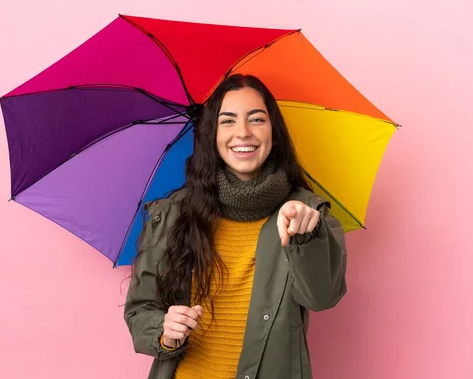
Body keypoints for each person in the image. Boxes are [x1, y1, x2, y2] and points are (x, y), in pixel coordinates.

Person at [124, 74, 347, 379]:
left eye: (256, 119)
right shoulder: (174, 213)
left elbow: (322, 297)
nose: (243, 133)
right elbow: (140, 309)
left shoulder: (306, 214)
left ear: (274, 131)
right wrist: (164, 330)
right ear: (212, 134)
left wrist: (306, 237)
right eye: (227, 121)